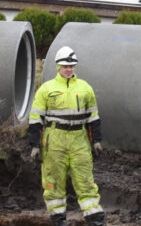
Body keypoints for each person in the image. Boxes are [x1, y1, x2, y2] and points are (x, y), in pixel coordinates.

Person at [29, 46, 105, 226]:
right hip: (54, 140)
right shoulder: (46, 89)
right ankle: (58, 221)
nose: (69, 69)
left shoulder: (85, 88)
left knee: (85, 181)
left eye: (72, 66)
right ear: (58, 66)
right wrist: (35, 145)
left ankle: (96, 221)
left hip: (80, 140)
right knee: (53, 183)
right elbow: (35, 120)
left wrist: (96, 142)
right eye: (65, 66)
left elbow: (93, 118)